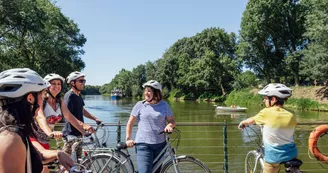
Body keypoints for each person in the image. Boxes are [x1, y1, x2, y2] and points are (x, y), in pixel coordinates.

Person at [0, 68, 74, 173]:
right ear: (30, 98)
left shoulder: (16, 130)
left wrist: (58, 154)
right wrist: (50, 133)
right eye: (42, 96)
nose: (42, 102)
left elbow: (36, 155)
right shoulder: (11, 139)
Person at [31, 73, 90, 173]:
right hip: (36, 139)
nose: (57, 86)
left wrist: (83, 132)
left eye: (59, 84)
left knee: (50, 168)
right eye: (53, 83)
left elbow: (70, 117)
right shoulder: (42, 99)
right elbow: (40, 117)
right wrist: (50, 132)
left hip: (48, 140)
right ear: (47, 85)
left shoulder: (59, 101)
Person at [238, 83, 298, 173]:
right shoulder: (292, 114)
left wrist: (243, 123)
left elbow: (252, 120)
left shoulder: (266, 112)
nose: (264, 101)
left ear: (273, 99)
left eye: (265, 98)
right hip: (292, 153)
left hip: (274, 156)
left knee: (271, 166)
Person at [126, 80, 176, 173]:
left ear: (156, 92)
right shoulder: (140, 105)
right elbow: (130, 123)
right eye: (145, 90)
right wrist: (128, 139)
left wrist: (170, 126)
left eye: (149, 91)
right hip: (143, 145)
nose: (146, 93)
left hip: (160, 145)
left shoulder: (164, 105)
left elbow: (172, 121)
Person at [62, 71, 102, 155]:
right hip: (71, 134)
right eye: (81, 81)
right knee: (68, 161)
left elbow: (82, 110)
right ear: (72, 83)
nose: (83, 83)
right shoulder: (69, 96)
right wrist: (84, 125)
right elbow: (69, 116)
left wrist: (95, 118)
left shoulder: (78, 95)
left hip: (79, 133)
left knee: (77, 160)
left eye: (84, 81)